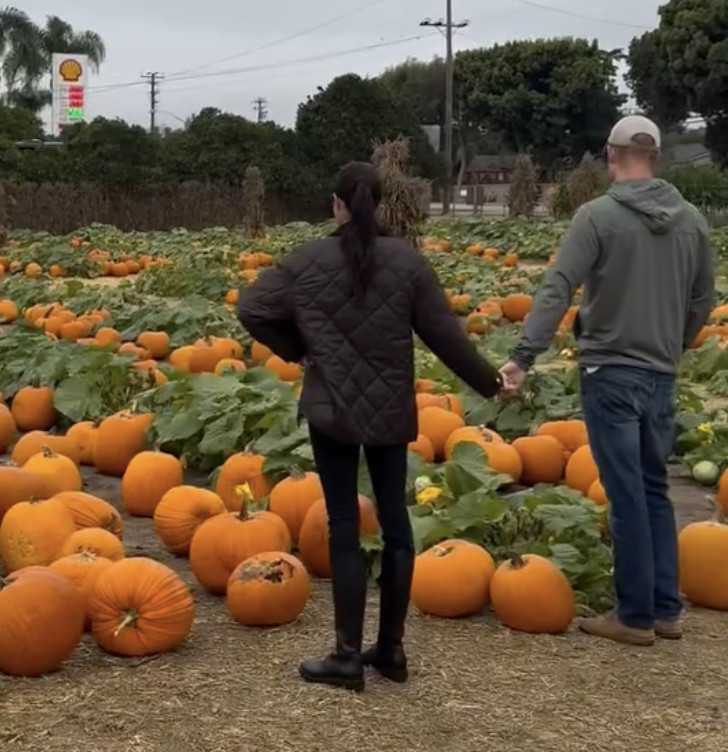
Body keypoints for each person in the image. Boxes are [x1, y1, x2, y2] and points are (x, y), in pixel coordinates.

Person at [238, 161, 503, 691]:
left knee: (343, 524)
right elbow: (445, 337)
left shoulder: (308, 259)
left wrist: (299, 349)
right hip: (389, 409)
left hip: (332, 407)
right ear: (378, 204)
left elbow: (251, 307)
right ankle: (392, 651)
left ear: (336, 204)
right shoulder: (407, 262)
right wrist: (491, 383)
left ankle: (346, 656)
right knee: (396, 523)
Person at [500, 115, 715, 646]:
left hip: (610, 371)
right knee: (654, 487)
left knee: (625, 494)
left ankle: (635, 616)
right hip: (661, 373)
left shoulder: (596, 216)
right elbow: (702, 299)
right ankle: (665, 609)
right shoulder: (691, 221)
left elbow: (558, 287)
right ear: (656, 157)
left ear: (610, 154)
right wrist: (676, 342)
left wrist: (524, 355)